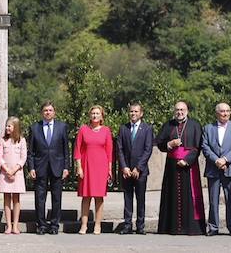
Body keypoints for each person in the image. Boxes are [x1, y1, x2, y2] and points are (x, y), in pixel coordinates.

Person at [155, 100, 205, 235]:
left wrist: (187, 160)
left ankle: (190, 227)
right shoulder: (168, 125)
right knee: (171, 195)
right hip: (172, 167)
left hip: (189, 167)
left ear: (187, 111)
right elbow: (159, 143)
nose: (179, 112)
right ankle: (171, 227)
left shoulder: (195, 125)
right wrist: (169, 144)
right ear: (174, 111)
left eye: (182, 110)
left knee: (190, 196)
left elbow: (198, 146)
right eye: (177, 110)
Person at [27, 100, 71, 235]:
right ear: (42, 113)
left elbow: (65, 150)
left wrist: (66, 167)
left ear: (54, 112)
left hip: (57, 166)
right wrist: (31, 168)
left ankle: (54, 225)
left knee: (56, 197)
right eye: (45, 110)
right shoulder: (35, 128)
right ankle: (41, 225)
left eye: (50, 110)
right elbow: (31, 151)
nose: (48, 112)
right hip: (40, 167)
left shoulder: (62, 127)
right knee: (40, 198)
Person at [200, 102, 231, 236]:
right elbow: (205, 146)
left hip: (230, 168)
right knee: (213, 200)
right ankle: (213, 227)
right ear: (216, 113)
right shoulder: (208, 128)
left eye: (227, 111)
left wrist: (225, 159)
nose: (225, 114)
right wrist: (216, 160)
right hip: (213, 168)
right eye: (222, 111)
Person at [115, 102, 153, 235]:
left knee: (140, 198)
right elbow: (119, 149)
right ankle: (127, 225)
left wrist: (138, 168)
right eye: (131, 111)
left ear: (141, 113)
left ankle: (140, 226)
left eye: (136, 112)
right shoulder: (123, 128)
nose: (133, 114)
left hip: (140, 171)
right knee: (127, 198)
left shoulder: (147, 129)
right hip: (126, 171)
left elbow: (148, 150)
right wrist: (124, 167)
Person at [74, 105, 113, 235]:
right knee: (86, 196)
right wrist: (79, 167)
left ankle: (97, 225)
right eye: (93, 113)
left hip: (101, 167)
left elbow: (109, 151)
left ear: (102, 116)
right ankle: (84, 225)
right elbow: (77, 149)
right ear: (90, 115)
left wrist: (109, 170)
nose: (95, 115)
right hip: (86, 166)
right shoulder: (83, 129)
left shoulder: (106, 130)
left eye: (97, 113)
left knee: (99, 197)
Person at [0, 116, 27, 235]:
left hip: (17, 174)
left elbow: (23, 157)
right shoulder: (3, 140)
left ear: (15, 127)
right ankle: (8, 225)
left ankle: (15, 225)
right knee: (6, 199)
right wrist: (7, 169)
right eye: (6, 125)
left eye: (9, 126)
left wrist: (14, 170)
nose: (7, 128)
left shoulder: (21, 140)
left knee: (16, 198)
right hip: (5, 173)